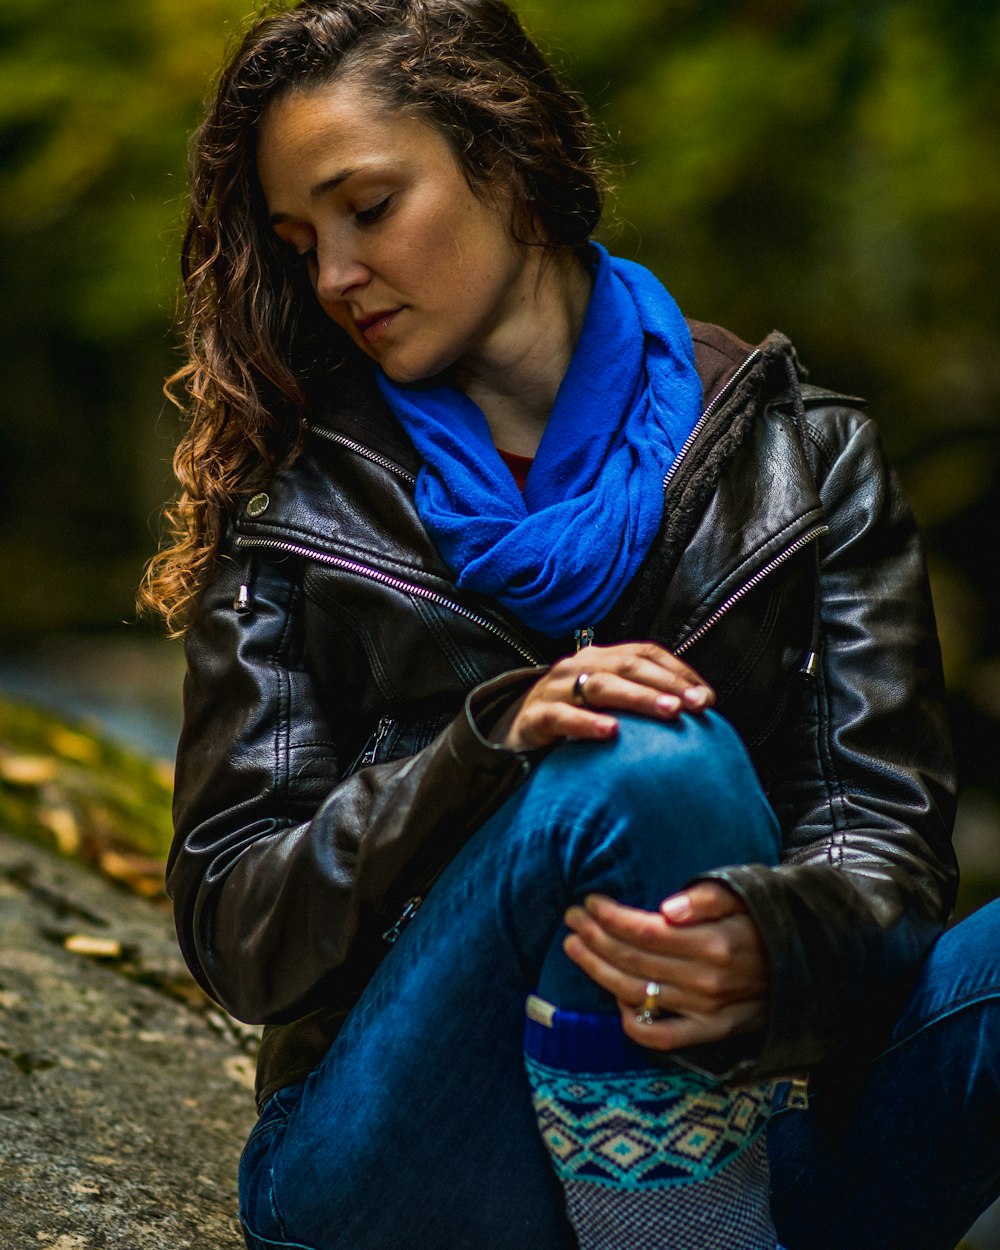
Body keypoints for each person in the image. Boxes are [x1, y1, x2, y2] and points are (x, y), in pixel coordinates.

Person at [141, 2, 1000, 1247]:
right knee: (638, 752)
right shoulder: (293, 502)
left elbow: (884, 853)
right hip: (413, 1157)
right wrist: (484, 751)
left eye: (368, 208)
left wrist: (776, 950)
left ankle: (692, 1204)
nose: (332, 276)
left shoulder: (810, 459)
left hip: (758, 1115)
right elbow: (237, 926)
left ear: (512, 165)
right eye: (299, 240)